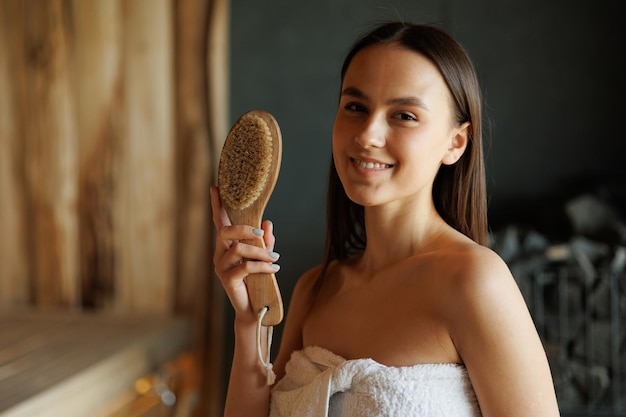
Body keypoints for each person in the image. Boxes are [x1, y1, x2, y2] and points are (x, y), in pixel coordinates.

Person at [211, 21, 560, 417]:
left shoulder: (474, 281)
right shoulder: (315, 290)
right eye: (356, 107)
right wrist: (247, 324)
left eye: (404, 115)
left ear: (455, 142)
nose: (367, 135)